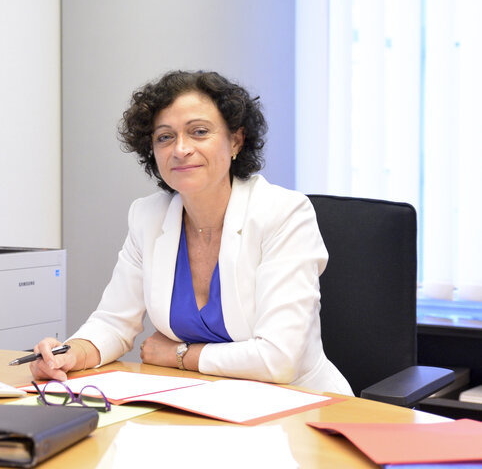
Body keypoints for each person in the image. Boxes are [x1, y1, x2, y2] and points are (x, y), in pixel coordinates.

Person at [31, 70, 352, 395]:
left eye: (199, 132)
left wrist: (180, 355)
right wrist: (68, 355)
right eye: (165, 137)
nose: (180, 149)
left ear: (236, 141)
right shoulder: (147, 216)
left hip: (300, 407)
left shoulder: (282, 213)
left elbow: (279, 360)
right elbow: (114, 322)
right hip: (199, 405)